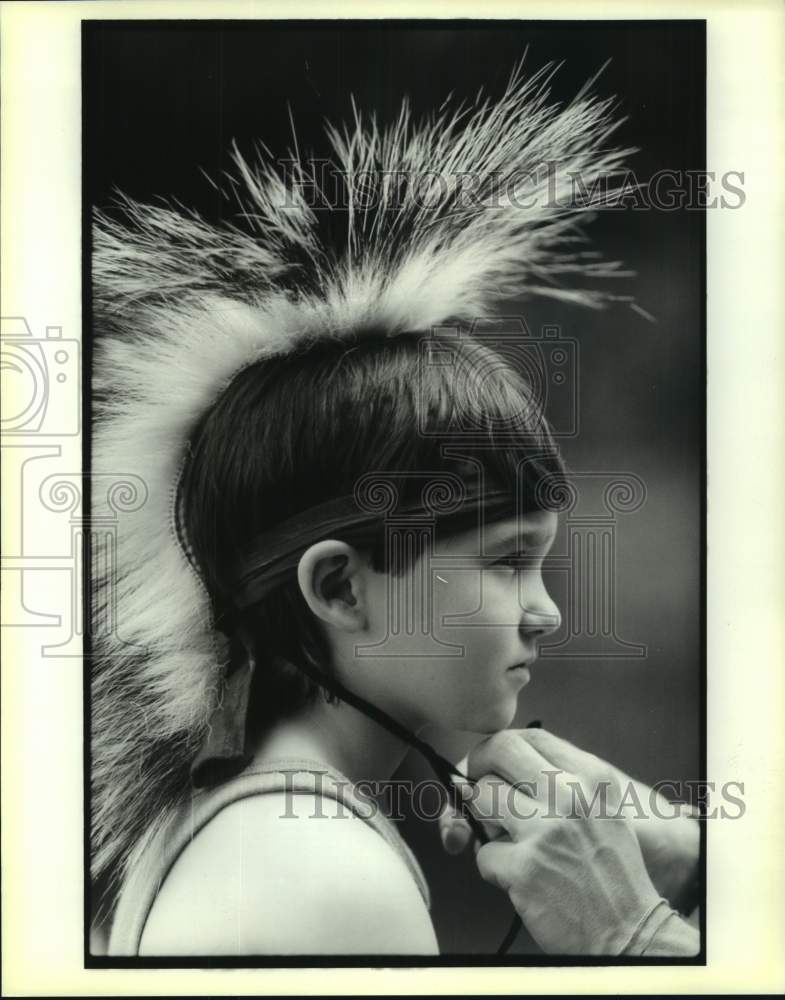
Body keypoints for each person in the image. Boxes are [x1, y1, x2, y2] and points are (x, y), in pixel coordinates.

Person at [90, 59, 700, 956]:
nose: (547, 610)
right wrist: (638, 939)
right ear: (338, 586)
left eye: (537, 562)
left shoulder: (236, 824)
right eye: (504, 561)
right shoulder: (327, 882)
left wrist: (679, 874)